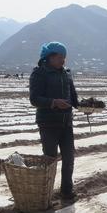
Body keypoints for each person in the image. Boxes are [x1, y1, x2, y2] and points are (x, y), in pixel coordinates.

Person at [29, 42, 79, 201]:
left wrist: (86, 106)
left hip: (66, 123)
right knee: (50, 160)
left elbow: (73, 98)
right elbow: (34, 99)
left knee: (69, 158)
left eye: (64, 57)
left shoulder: (66, 74)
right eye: (59, 57)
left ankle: (66, 191)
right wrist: (54, 102)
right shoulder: (40, 74)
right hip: (48, 123)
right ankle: (45, 196)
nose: (62, 61)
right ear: (48, 57)